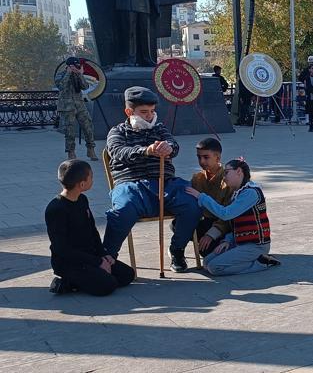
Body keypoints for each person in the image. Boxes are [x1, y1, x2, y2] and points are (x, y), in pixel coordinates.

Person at [102, 87, 203, 273]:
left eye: (152, 111)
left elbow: (175, 145)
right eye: (144, 112)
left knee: (193, 203)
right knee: (122, 211)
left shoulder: (160, 128)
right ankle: (107, 257)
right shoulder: (117, 132)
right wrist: (146, 150)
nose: (149, 116)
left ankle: (177, 250)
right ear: (129, 112)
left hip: (166, 184)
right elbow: (117, 152)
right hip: (131, 185)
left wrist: (169, 147)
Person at [47, 160, 135, 296]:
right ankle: (68, 282)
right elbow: (61, 249)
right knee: (107, 285)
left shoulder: (82, 200)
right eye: (91, 177)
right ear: (82, 184)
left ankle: (86, 280)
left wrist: (104, 255)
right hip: (70, 262)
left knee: (127, 275)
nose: (93, 179)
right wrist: (98, 262)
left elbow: (93, 231)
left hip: (90, 256)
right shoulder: (56, 209)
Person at [186, 159, 280, 275]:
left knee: (214, 268)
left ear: (239, 171)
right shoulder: (238, 193)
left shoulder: (251, 193)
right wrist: (228, 241)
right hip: (240, 243)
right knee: (206, 262)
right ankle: (250, 260)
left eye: (226, 172)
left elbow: (226, 214)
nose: (224, 177)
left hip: (256, 246)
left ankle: (261, 262)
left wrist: (202, 197)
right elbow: (235, 224)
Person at [190, 138, 234, 257]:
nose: (201, 161)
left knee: (208, 252)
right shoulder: (197, 178)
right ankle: (176, 252)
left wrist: (211, 234)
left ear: (217, 158)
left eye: (206, 157)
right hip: (205, 221)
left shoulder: (228, 179)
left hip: (225, 224)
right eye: (199, 157)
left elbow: (229, 214)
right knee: (178, 224)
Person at [56, 57, 97, 161]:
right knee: (69, 130)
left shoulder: (78, 74)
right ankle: (71, 152)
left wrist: (79, 74)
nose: (76, 67)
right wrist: (69, 73)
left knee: (88, 126)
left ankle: (91, 149)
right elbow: (61, 86)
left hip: (79, 105)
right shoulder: (61, 75)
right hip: (66, 106)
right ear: (68, 66)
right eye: (74, 66)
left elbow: (85, 87)